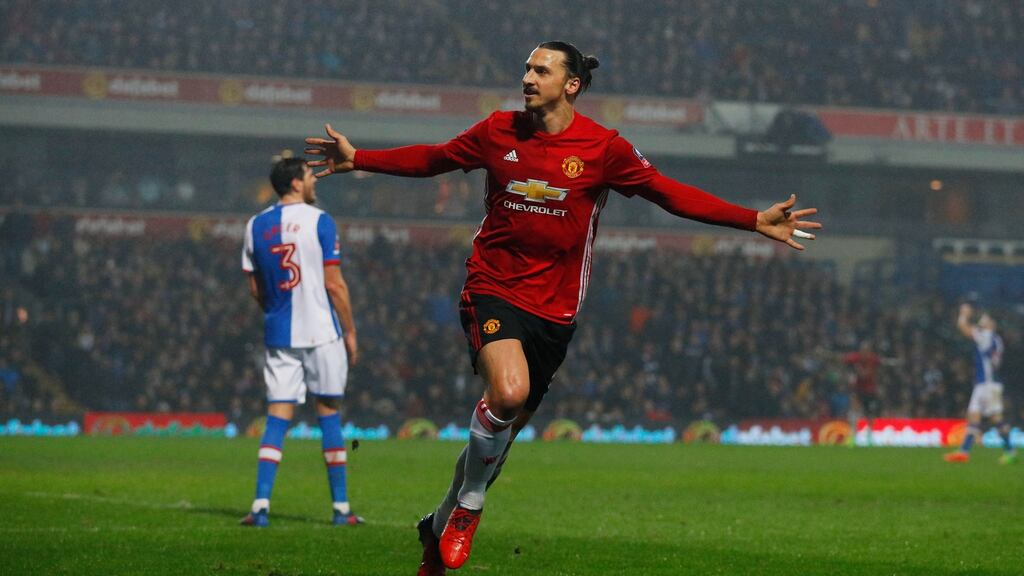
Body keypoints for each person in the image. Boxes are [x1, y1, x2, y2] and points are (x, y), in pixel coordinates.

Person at [304, 41, 821, 572]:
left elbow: (668, 193)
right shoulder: (497, 131)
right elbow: (434, 159)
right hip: (493, 286)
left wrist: (751, 220)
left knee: (498, 441)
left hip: (555, 312)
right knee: (507, 393)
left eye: (540, 69)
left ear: (571, 84)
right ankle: (470, 507)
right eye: (526, 67)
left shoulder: (604, 148)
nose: (527, 76)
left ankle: (437, 525)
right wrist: (359, 158)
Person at [239, 157, 362, 527]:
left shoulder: (255, 224)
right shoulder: (320, 220)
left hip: (280, 334)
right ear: (296, 182)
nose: (314, 182)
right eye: (309, 176)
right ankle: (341, 510)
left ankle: (260, 506)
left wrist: (276, 309)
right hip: (323, 332)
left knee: (277, 416)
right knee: (328, 412)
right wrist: (351, 331)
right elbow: (334, 284)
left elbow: (255, 287)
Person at [944, 303, 1016, 464]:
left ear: (991, 324)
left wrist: (964, 313)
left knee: (996, 418)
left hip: (987, 384)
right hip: (986, 384)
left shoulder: (987, 335)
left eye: (985, 319)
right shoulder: (996, 340)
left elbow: (963, 328)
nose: (981, 320)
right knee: (974, 416)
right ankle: (964, 452)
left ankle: (1010, 450)